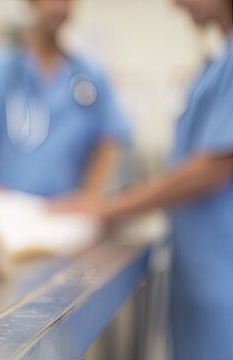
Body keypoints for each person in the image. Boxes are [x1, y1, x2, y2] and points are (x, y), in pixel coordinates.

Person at [51, 0, 233, 358]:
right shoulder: (218, 63)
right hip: (202, 273)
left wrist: (106, 208)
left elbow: (212, 167)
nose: (175, 4)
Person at [0, 0, 130, 202]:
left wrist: (90, 195)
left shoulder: (90, 74)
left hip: (65, 211)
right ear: (31, 4)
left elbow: (110, 135)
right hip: (7, 207)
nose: (59, 8)